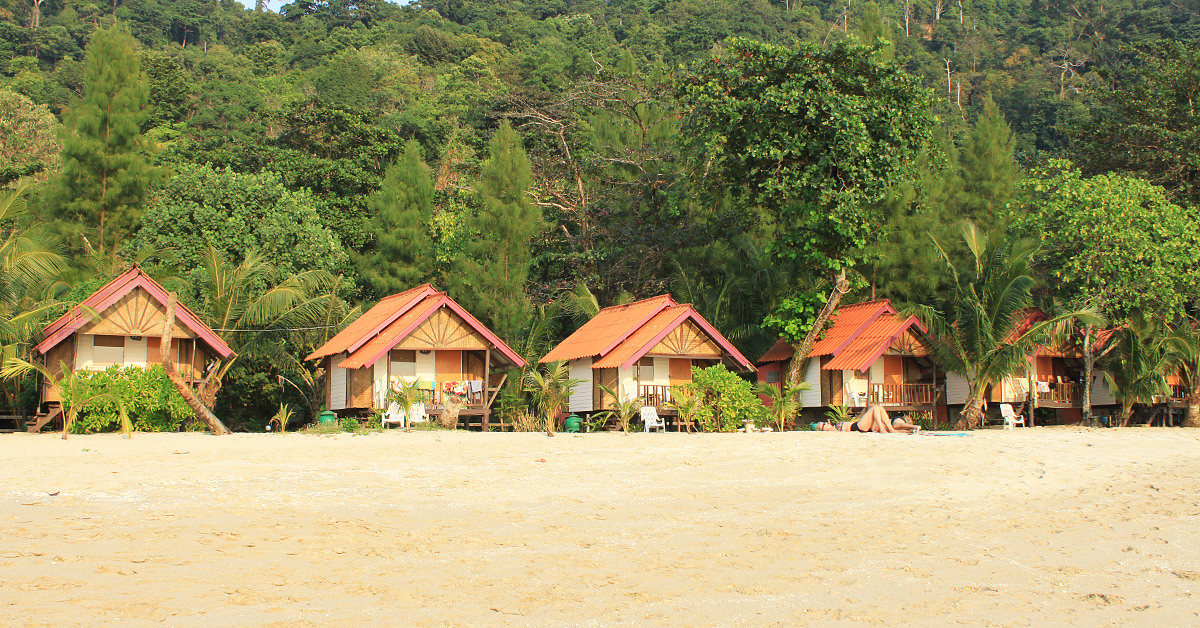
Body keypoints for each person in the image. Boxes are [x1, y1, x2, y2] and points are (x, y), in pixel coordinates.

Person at [811, 405, 921, 433]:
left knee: (879, 408)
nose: (826, 424)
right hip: (857, 427)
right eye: (823, 425)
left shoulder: (833, 427)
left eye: (824, 423)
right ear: (822, 429)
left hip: (859, 426)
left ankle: (910, 430)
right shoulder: (831, 430)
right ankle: (884, 429)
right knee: (875, 407)